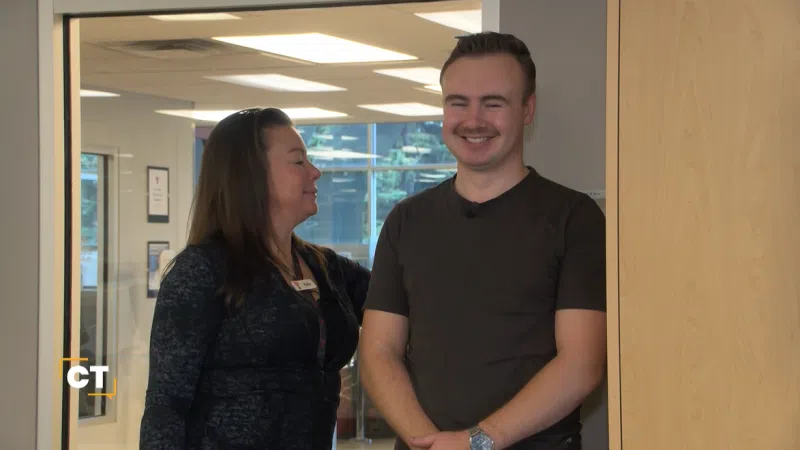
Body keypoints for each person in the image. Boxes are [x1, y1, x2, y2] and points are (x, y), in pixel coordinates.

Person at [358, 32, 606, 450]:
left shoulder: (574, 219)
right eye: (458, 103)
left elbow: (581, 364)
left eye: (493, 103)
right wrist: (427, 442)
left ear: (527, 110)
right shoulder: (407, 220)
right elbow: (378, 351)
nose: (473, 120)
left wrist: (476, 443)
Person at [139, 107, 370, 449]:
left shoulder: (326, 268)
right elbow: (166, 405)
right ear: (252, 176)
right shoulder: (202, 270)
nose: (315, 172)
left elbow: (403, 304)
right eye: (298, 162)